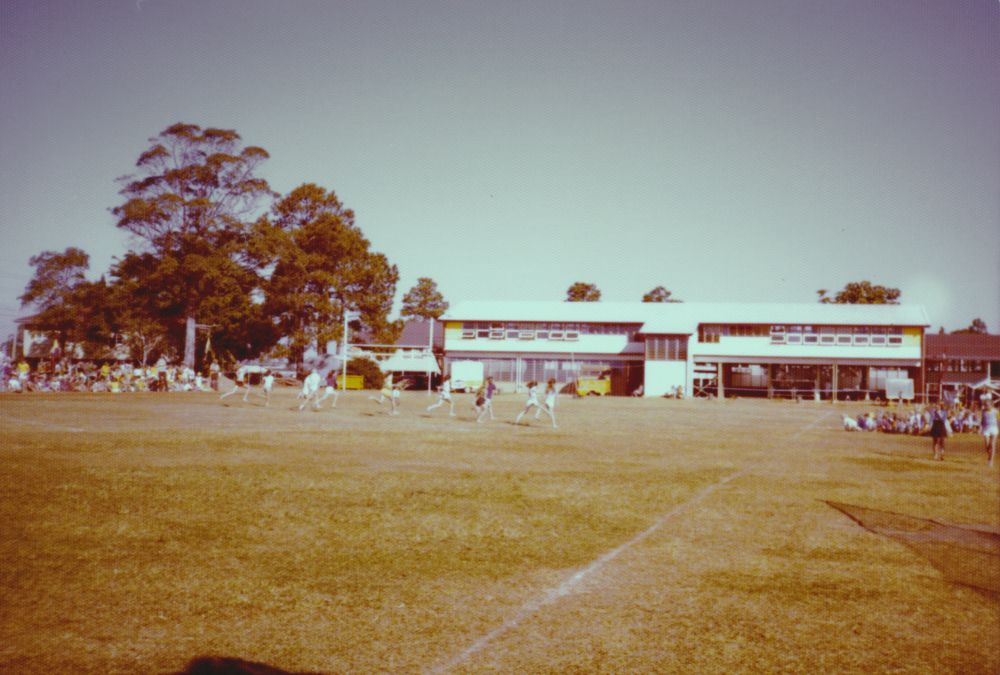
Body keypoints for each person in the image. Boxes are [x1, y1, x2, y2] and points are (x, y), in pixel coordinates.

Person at [981, 401, 998, 467]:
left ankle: (991, 460)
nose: (987, 406)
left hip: (994, 428)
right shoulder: (983, 411)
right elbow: (982, 420)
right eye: (986, 405)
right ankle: (989, 456)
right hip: (986, 429)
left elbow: (999, 420)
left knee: (992, 444)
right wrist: (981, 427)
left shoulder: (995, 411)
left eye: (988, 405)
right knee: (987, 445)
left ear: (991, 405)